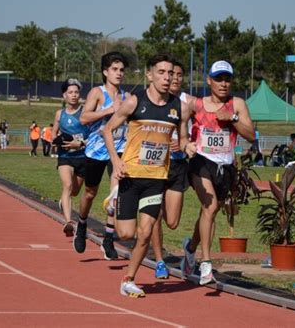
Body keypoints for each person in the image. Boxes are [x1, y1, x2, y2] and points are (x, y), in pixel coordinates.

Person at [104, 53, 191, 297]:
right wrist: (116, 160)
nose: (167, 77)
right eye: (161, 72)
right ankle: (113, 200)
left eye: (171, 73)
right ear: (149, 75)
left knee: (145, 233)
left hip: (156, 179)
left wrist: (187, 146)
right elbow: (108, 130)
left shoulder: (180, 108)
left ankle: (128, 279)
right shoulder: (134, 102)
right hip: (130, 177)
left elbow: (182, 139)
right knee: (126, 234)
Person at [180, 60, 255, 285]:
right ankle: (206, 263)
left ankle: (191, 247)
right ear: (209, 80)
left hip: (226, 167)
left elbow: (251, 135)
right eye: (219, 79)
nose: (223, 84)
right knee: (210, 207)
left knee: (209, 213)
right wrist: (185, 143)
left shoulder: (237, 104)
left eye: (227, 79)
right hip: (201, 162)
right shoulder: (196, 104)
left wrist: (231, 119)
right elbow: (180, 123)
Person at [74, 51, 130, 260]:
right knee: (90, 192)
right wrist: (109, 110)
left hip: (119, 148)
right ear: (105, 72)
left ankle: (108, 238)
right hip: (96, 150)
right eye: (114, 69)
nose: (119, 73)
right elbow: (84, 118)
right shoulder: (97, 93)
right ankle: (81, 223)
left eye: (122, 70)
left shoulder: (127, 97)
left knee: (117, 193)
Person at [150, 60, 196, 279]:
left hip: (178, 165)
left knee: (173, 222)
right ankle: (160, 261)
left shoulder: (187, 103)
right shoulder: (153, 98)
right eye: (170, 74)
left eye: (178, 74)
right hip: (155, 165)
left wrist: (187, 145)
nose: (174, 78)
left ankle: (188, 246)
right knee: (155, 215)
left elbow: (202, 125)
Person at [53, 79, 90, 237]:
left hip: (82, 156)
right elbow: (53, 134)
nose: (74, 95)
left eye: (76, 92)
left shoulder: (85, 112)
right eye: (71, 92)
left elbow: (94, 136)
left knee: (74, 191)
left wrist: (80, 143)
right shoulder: (59, 114)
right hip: (65, 156)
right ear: (64, 95)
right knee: (67, 185)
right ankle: (68, 221)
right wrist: (57, 140)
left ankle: (64, 202)